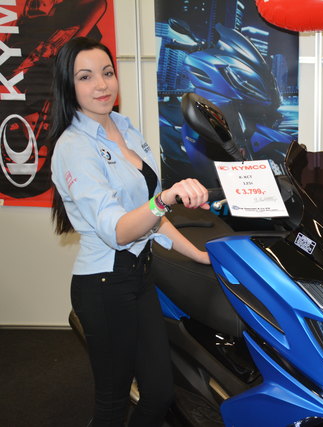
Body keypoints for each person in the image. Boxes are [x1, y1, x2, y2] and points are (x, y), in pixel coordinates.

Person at [49, 37, 210, 426]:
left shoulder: (124, 127)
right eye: (86, 77)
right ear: (69, 85)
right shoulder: (74, 147)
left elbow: (151, 213)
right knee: (112, 402)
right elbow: (120, 231)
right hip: (103, 285)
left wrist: (201, 256)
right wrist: (165, 199)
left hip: (140, 276)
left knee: (159, 394)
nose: (101, 85)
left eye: (107, 73)